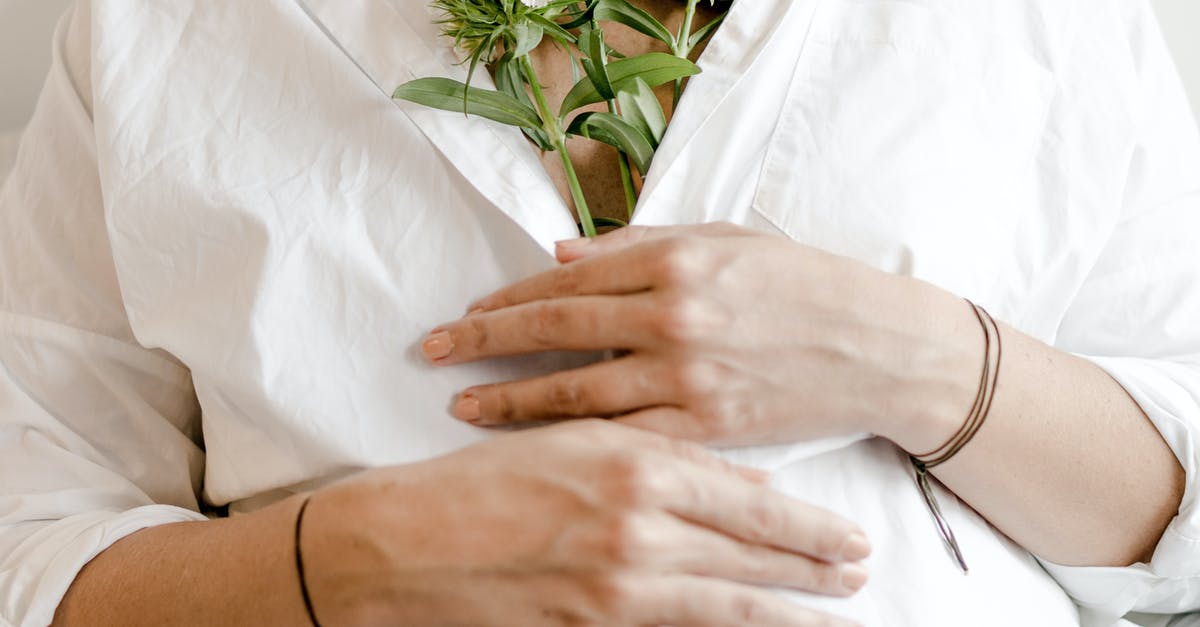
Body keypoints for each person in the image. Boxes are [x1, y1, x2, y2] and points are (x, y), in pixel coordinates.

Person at [1, 0, 1197, 626]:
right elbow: (27, 540)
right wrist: (352, 565)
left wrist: (925, 364)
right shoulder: (161, 30)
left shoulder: (1050, 20)